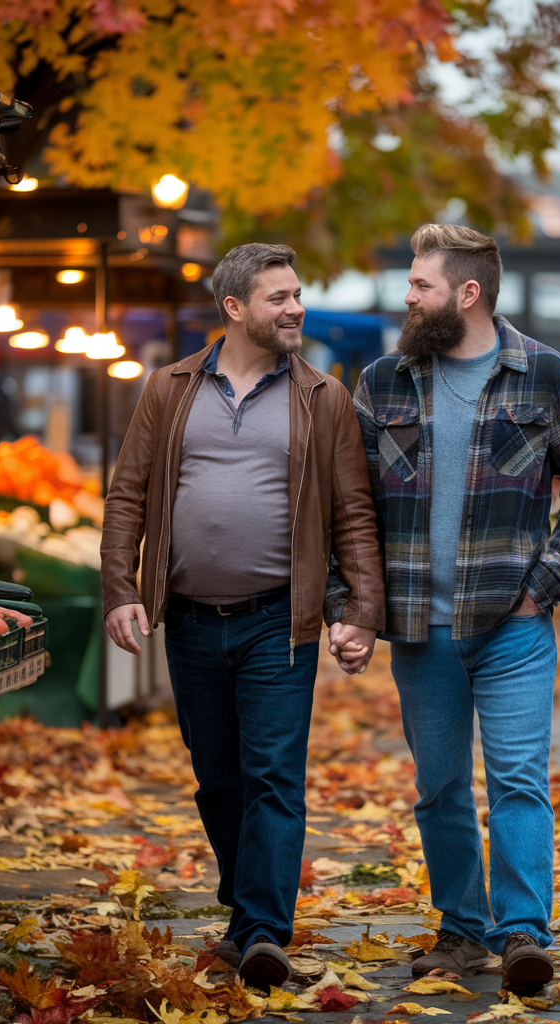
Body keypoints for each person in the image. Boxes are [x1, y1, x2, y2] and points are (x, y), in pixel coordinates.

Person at [334, 225, 560, 993]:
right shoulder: (383, 381)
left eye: (419, 284)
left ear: (467, 293)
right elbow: (349, 507)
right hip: (420, 631)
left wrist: (544, 586)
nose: (407, 296)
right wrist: (351, 607)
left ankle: (523, 933)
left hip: (511, 630)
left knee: (519, 781)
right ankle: (462, 932)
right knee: (440, 789)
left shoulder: (545, 376)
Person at [100, 243, 385, 989]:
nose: (295, 309)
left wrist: (361, 611)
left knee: (273, 777)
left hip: (277, 622)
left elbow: (354, 512)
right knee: (218, 779)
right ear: (234, 308)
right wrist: (121, 590)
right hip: (191, 621)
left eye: (297, 294)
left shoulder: (324, 396)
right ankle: (245, 905)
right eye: (278, 298)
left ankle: (262, 930)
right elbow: (127, 495)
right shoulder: (169, 388)